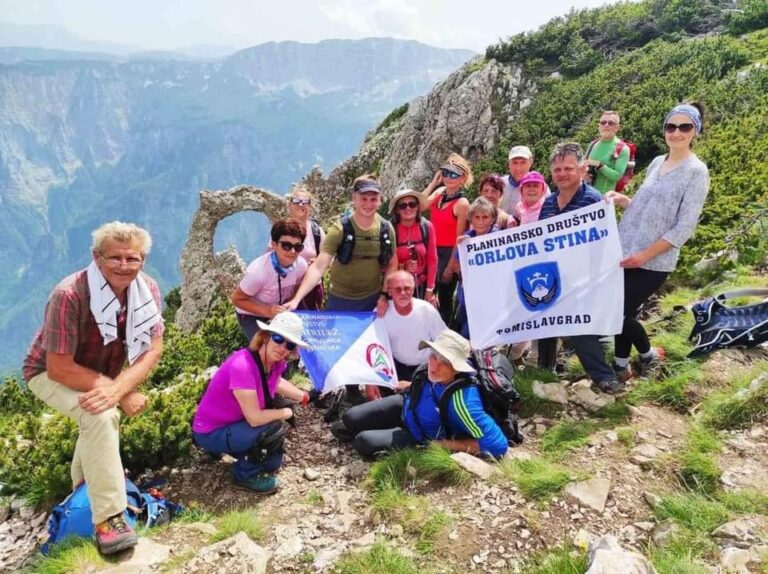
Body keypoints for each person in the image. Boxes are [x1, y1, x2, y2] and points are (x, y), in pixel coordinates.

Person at [23, 222, 164, 555]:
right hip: (49, 373)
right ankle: (109, 520)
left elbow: (154, 348)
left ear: (143, 259)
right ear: (96, 257)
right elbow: (59, 367)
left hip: (99, 373)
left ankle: (84, 490)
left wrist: (120, 387)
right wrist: (119, 392)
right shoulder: (69, 294)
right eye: (114, 258)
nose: (124, 266)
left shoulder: (147, 290)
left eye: (133, 258)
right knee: (101, 415)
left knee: (97, 413)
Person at [605, 102, 709, 380]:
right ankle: (620, 364)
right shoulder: (656, 162)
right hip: (627, 249)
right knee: (622, 310)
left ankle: (649, 355)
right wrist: (623, 200)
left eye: (684, 127)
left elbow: (684, 227)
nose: (676, 133)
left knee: (616, 311)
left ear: (694, 131)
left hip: (655, 261)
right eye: (670, 127)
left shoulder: (696, 172)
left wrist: (645, 256)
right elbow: (642, 206)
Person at [332, 330, 508, 460]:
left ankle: (378, 436)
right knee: (350, 417)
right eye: (434, 355)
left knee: (362, 442)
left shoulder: (463, 403)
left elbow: (498, 445)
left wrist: (443, 445)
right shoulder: (435, 370)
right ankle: (362, 428)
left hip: (421, 435)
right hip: (407, 405)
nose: (434, 365)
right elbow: (433, 388)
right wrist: (410, 385)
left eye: (445, 361)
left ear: (457, 367)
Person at [192, 312, 312, 493]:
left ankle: (235, 448)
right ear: (265, 336)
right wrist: (285, 413)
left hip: (235, 423)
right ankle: (244, 476)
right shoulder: (243, 365)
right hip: (211, 430)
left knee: (272, 463)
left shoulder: (273, 362)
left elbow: (275, 381)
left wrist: (303, 396)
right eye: (278, 338)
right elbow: (255, 418)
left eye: (289, 344)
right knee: (271, 429)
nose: (282, 347)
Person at [537, 142, 623, 393]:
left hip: (585, 278)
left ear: (582, 168)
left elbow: (604, 242)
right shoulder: (549, 202)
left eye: (568, 168)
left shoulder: (593, 200)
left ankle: (604, 376)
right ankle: (545, 369)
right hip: (555, 274)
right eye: (557, 170)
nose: (562, 174)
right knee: (545, 321)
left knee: (578, 327)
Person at [286, 174, 397, 315]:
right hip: (340, 299)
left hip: (372, 299)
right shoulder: (340, 229)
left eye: (373, 199)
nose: (368, 204)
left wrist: (384, 295)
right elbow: (319, 266)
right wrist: (297, 299)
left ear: (380, 200)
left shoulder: (386, 229)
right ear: (354, 198)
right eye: (364, 199)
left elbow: (392, 264)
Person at [231, 219, 308, 341]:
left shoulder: (301, 266)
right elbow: (237, 299)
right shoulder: (258, 272)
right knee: (265, 345)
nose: (292, 251)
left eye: (298, 247)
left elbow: (297, 287)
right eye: (286, 246)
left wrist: (289, 304)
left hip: (278, 311)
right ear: (274, 244)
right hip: (251, 313)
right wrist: (266, 311)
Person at [420, 153, 472, 324]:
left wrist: (451, 265)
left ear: (463, 178)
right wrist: (433, 183)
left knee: (444, 296)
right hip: (432, 250)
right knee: (427, 292)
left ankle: (444, 334)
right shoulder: (440, 193)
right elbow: (420, 206)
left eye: (454, 174)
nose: (449, 178)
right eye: (446, 173)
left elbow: (460, 237)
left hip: (448, 253)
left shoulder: (462, 203)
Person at [382, 270, 447, 383]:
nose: (403, 293)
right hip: (395, 367)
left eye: (407, 288)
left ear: (413, 289)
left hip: (425, 368)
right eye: (398, 289)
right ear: (389, 291)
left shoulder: (427, 310)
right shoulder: (382, 313)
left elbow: (444, 339)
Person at [450, 197, 499, 339]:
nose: (481, 221)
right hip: (466, 296)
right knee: (465, 330)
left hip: (488, 297)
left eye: (485, 217)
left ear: (492, 218)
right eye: (477, 217)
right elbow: (455, 267)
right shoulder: (466, 238)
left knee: (477, 335)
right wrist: (461, 252)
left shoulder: (498, 238)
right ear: (471, 219)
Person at [389, 189, 438, 305]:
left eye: (412, 204)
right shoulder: (391, 229)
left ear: (417, 207)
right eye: (402, 206)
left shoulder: (426, 227)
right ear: (397, 210)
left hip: (421, 286)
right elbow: (386, 263)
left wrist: (430, 289)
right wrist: (403, 267)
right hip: (398, 288)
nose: (408, 208)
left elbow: (432, 259)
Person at [285, 184, 326, 310]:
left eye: (305, 202)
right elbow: (270, 257)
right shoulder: (282, 230)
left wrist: (318, 261)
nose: (301, 205)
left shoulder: (317, 231)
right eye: (297, 201)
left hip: (312, 289)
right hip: (288, 288)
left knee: (312, 325)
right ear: (290, 205)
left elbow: (329, 258)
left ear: (310, 206)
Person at [585, 110, 631, 193]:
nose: (606, 125)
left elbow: (617, 176)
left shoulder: (622, 148)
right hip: (586, 194)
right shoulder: (592, 144)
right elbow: (583, 165)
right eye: (603, 122)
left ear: (617, 127)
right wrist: (583, 175)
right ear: (599, 126)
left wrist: (601, 166)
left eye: (610, 123)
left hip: (604, 199)